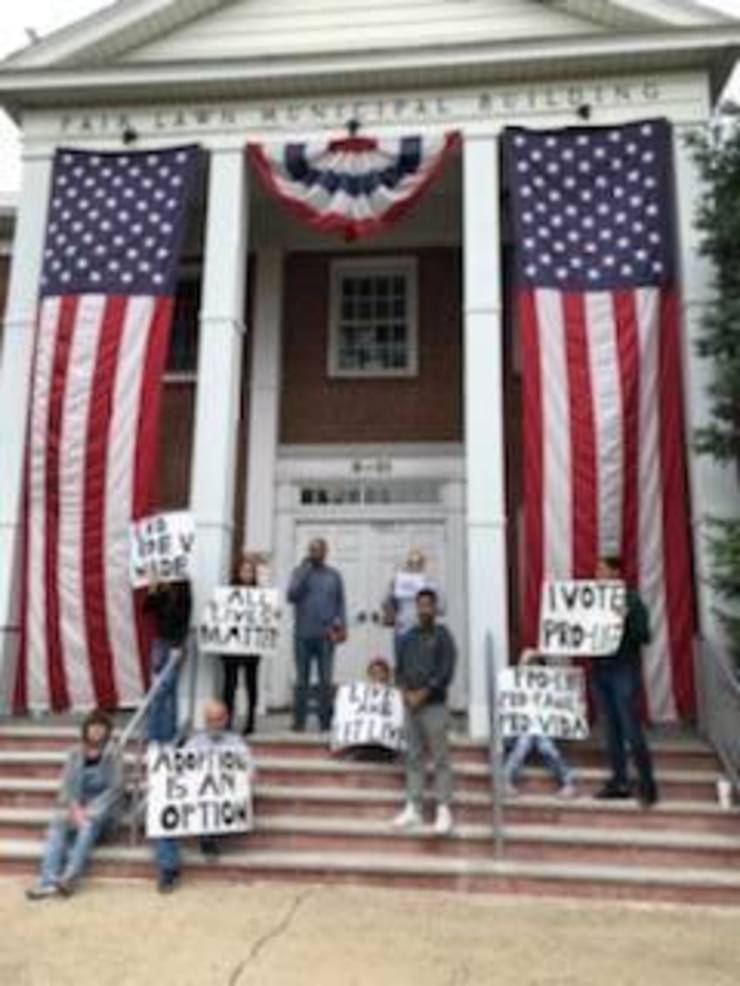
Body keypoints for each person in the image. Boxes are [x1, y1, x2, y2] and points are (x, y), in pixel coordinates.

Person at [26, 710, 123, 900]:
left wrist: (90, 811)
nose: (96, 731)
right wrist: (75, 808)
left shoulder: (113, 753)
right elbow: (67, 786)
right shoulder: (75, 753)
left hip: (102, 810)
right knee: (57, 826)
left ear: (107, 731)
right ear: (86, 730)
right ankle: (47, 882)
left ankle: (69, 878)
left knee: (87, 827)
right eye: (93, 727)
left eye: (101, 727)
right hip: (77, 806)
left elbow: (116, 788)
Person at [591, 556, 659, 807]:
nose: (598, 575)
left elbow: (645, 635)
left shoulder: (632, 600)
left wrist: (625, 619)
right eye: (597, 571)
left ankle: (647, 784)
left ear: (615, 573)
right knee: (611, 730)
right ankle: (619, 782)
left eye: (602, 570)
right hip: (600, 670)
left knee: (631, 727)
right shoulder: (592, 601)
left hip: (623, 669)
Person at [392, 589, 456, 835]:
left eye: (428, 605)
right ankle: (413, 807)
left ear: (435, 608)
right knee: (413, 757)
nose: (424, 610)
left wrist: (425, 692)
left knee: (440, 758)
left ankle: (444, 809)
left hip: (434, 706)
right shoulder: (408, 637)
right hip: (411, 706)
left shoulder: (443, 635)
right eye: (420, 605)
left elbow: (445, 670)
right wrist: (405, 692)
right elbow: (400, 669)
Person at [143, 575, 192, 892]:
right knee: (162, 692)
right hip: (160, 643)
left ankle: (162, 733)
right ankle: (158, 733)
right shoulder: (161, 589)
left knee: (165, 690)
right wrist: (154, 590)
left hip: (175, 643)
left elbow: (181, 617)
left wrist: (180, 644)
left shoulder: (184, 589)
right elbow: (147, 611)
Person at [287, 538, 346, 733]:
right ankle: (299, 722)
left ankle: (325, 722)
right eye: (312, 550)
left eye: (319, 550)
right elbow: (291, 595)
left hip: (326, 635)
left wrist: (342, 627)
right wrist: (304, 571)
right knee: (302, 680)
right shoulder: (299, 572)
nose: (315, 553)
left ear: (326, 552)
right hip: (303, 635)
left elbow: (340, 603)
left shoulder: (334, 575)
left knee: (325, 680)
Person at [184, 699, 255, 860]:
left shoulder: (236, 742)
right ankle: (207, 839)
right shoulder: (193, 743)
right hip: (202, 794)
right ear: (205, 721)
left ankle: (214, 834)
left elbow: (249, 768)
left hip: (227, 794)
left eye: (218, 719)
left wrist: (247, 777)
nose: (215, 724)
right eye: (210, 720)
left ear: (225, 719)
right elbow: (182, 770)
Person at [503, 649, 577, 798]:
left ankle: (505, 779)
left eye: (536, 666)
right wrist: (524, 663)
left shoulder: (550, 687)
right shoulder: (515, 686)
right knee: (525, 742)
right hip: (520, 731)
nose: (532, 670)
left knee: (544, 745)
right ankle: (568, 781)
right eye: (529, 666)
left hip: (544, 730)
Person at [222, 552, 263, 735]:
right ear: (238, 572)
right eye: (244, 571)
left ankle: (250, 721)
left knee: (251, 683)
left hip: (251, 647)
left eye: (250, 571)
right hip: (232, 646)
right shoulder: (228, 592)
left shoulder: (261, 595)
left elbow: (266, 618)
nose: (247, 574)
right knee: (229, 685)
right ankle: (227, 720)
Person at [382, 550, 442, 658]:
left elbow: (442, 608)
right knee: (402, 663)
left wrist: (429, 605)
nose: (414, 566)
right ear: (407, 565)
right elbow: (385, 604)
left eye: (418, 563)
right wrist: (391, 588)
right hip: (403, 630)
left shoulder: (431, 583)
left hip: (424, 631)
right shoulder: (399, 582)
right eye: (411, 563)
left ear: (423, 565)